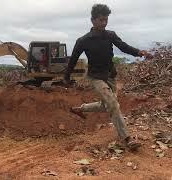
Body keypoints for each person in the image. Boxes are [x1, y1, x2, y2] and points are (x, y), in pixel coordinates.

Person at [64, 4, 152, 151]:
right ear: (93, 20)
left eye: (106, 20)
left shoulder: (110, 35)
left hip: (110, 76)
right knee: (113, 104)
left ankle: (81, 109)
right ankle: (127, 139)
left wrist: (140, 52)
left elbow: (124, 47)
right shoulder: (83, 41)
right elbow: (73, 59)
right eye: (101, 20)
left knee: (106, 105)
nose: (104, 23)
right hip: (95, 77)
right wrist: (66, 77)